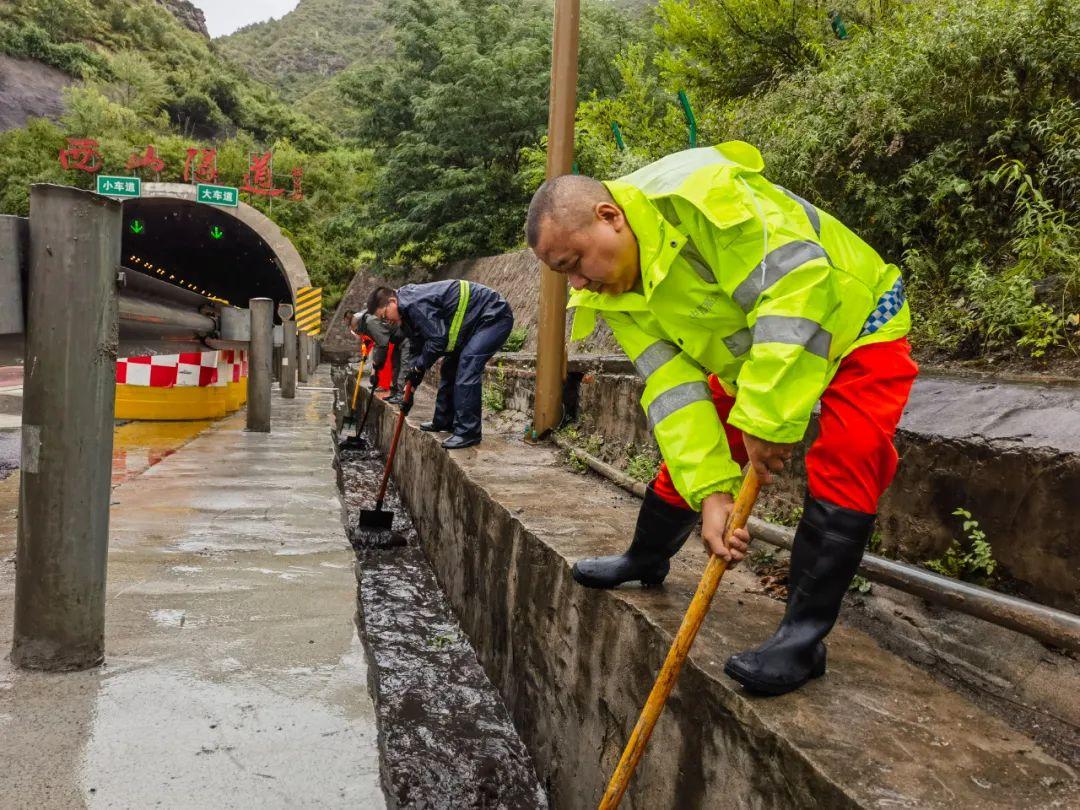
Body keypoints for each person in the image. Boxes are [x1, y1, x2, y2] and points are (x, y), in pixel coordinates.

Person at [525, 141, 917, 696]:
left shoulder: (702, 198)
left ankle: (801, 641)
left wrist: (766, 420)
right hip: (758, 351)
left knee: (851, 458)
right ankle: (647, 556)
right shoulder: (614, 290)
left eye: (573, 265)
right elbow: (675, 395)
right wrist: (713, 494)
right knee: (690, 450)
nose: (579, 284)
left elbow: (797, 291)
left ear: (609, 217)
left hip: (854, 321)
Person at [366, 280, 514, 449]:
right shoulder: (405, 314)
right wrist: (412, 381)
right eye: (382, 320)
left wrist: (419, 367)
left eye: (385, 316)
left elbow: (438, 339)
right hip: (471, 325)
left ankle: (468, 432)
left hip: (493, 316)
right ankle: (444, 421)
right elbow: (416, 348)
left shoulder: (414, 304)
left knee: (467, 364)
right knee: (449, 367)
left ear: (392, 302)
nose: (387, 321)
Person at [344, 308, 411, 402]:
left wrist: (376, 366)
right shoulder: (366, 323)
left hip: (405, 338)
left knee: (403, 366)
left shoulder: (370, 322)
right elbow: (378, 343)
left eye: (356, 330)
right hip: (396, 339)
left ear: (358, 325)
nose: (356, 333)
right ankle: (395, 393)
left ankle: (401, 395)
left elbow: (383, 344)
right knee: (395, 365)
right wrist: (376, 368)